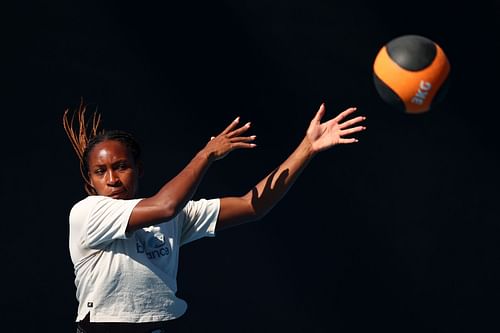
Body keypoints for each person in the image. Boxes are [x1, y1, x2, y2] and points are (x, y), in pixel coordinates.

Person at [63, 100, 366, 333]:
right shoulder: (88, 212)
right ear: (90, 183)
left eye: (121, 166)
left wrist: (307, 148)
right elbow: (166, 205)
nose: (112, 178)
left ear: (139, 169)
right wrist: (205, 154)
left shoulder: (173, 213)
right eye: (101, 172)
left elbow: (252, 205)